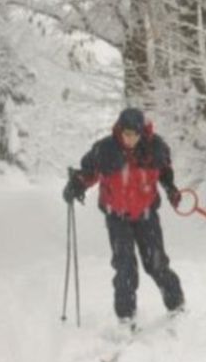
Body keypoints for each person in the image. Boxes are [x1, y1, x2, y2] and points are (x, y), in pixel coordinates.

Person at [63, 107, 185, 329]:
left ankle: (177, 307)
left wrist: (171, 190)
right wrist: (76, 184)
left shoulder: (154, 148)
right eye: (126, 134)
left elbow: (164, 171)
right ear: (120, 130)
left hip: (146, 215)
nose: (130, 139)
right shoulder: (105, 150)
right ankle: (126, 318)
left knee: (156, 264)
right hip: (117, 218)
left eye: (135, 135)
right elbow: (89, 172)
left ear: (142, 133)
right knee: (125, 267)